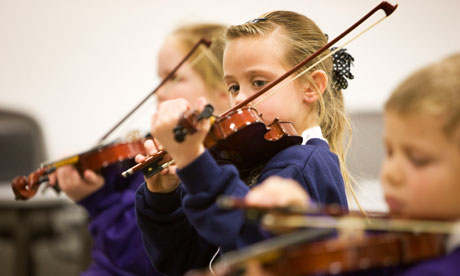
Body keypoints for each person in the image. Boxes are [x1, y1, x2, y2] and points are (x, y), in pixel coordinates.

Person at [135, 10, 354, 276]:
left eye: (258, 82)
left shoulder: (299, 166)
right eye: (234, 87)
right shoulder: (259, 160)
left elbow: (253, 246)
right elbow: (186, 262)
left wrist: (195, 161)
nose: (239, 99)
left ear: (311, 86)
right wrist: (164, 200)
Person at [235, 52, 460, 276]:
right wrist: (302, 219)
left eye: (418, 159)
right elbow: (343, 244)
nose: (391, 173)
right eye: (390, 152)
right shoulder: (412, 238)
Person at [49, 23, 230, 276]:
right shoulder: (152, 149)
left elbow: (141, 258)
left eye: (174, 77)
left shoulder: (205, 167)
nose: (159, 91)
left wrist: (96, 200)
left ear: (224, 93)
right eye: (160, 78)